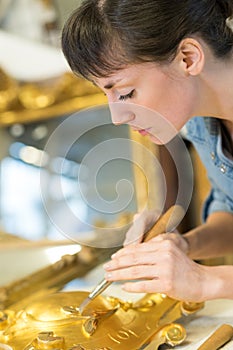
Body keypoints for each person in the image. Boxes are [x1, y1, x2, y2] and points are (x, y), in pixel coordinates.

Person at [61, 0, 233, 302]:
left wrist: (206, 281)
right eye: (108, 94)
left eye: (126, 92)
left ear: (188, 58)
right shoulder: (202, 125)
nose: (117, 117)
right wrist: (179, 245)